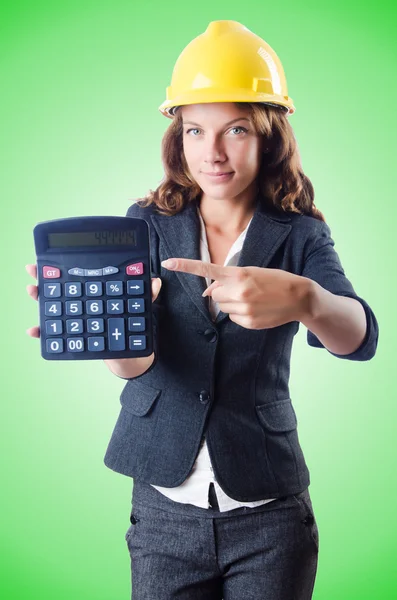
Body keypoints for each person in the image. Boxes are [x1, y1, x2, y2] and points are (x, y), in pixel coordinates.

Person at [26, 20, 379, 600]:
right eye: (195, 130)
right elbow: (135, 366)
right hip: (164, 506)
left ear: (269, 136)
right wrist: (116, 344)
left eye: (235, 129)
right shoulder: (146, 224)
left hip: (269, 511)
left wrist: (305, 298)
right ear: (178, 137)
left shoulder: (300, 236)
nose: (211, 153)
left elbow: (359, 338)